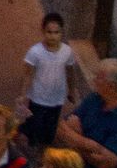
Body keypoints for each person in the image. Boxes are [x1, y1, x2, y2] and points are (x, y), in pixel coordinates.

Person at [20, 11, 79, 150]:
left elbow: (70, 72)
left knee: (50, 128)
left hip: (56, 99)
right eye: (49, 32)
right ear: (43, 31)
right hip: (38, 98)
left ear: (62, 32)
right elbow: (27, 75)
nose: (52, 36)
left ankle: (44, 149)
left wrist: (71, 91)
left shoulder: (67, 52)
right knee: (35, 125)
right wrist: (23, 95)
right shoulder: (35, 52)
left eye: (56, 32)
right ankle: (31, 145)